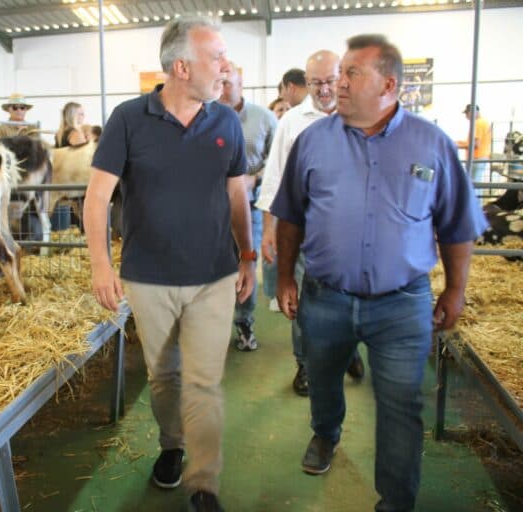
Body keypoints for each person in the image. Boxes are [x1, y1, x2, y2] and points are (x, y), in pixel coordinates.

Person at [270, 34, 487, 511]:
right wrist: (285, 278)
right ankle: (325, 434)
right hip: (325, 297)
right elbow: (290, 217)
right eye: (339, 73)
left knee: (401, 406)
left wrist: (455, 290)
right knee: (322, 381)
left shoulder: (431, 144)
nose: (337, 84)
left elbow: (458, 226)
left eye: (352, 73)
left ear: (389, 84)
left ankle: (396, 501)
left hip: (401, 302)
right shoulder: (312, 140)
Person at [84, 15, 254, 512]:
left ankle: (203, 483)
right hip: (149, 277)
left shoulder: (225, 120)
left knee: (204, 378)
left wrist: (247, 255)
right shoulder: (129, 119)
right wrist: (101, 265)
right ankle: (172, 444)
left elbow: (237, 194)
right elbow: (97, 199)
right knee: (165, 378)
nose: (226, 66)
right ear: (181, 67)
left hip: (214, 275)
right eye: (216, 57)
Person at [257, 50, 364, 396]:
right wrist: (269, 229)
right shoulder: (292, 121)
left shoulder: (362, 115)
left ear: (343, 77)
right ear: (306, 83)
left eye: (329, 81)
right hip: (303, 231)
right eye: (315, 82)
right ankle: (304, 365)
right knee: (301, 300)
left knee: (352, 297)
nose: (323, 89)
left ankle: (347, 350)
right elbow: (274, 178)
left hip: (352, 233)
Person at [219, 62, 278, 351]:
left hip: (250, 204)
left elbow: (278, 160)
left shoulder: (264, 118)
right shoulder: (206, 116)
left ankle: (244, 323)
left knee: (247, 260)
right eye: (218, 83)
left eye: (227, 83)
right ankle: (213, 325)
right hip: (212, 207)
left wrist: (255, 178)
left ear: (241, 85)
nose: (221, 89)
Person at [456, 104, 492, 196]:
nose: (466, 117)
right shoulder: (484, 122)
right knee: (475, 183)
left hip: (477, 157)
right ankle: (477, 207)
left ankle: (475, 207)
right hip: (482, 156)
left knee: (473, 184)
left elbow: (476, 144)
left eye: (467, 114)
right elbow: (472, 142)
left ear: (472, 112)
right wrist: (460, 143)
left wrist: (460, 146)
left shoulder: (477, 124)